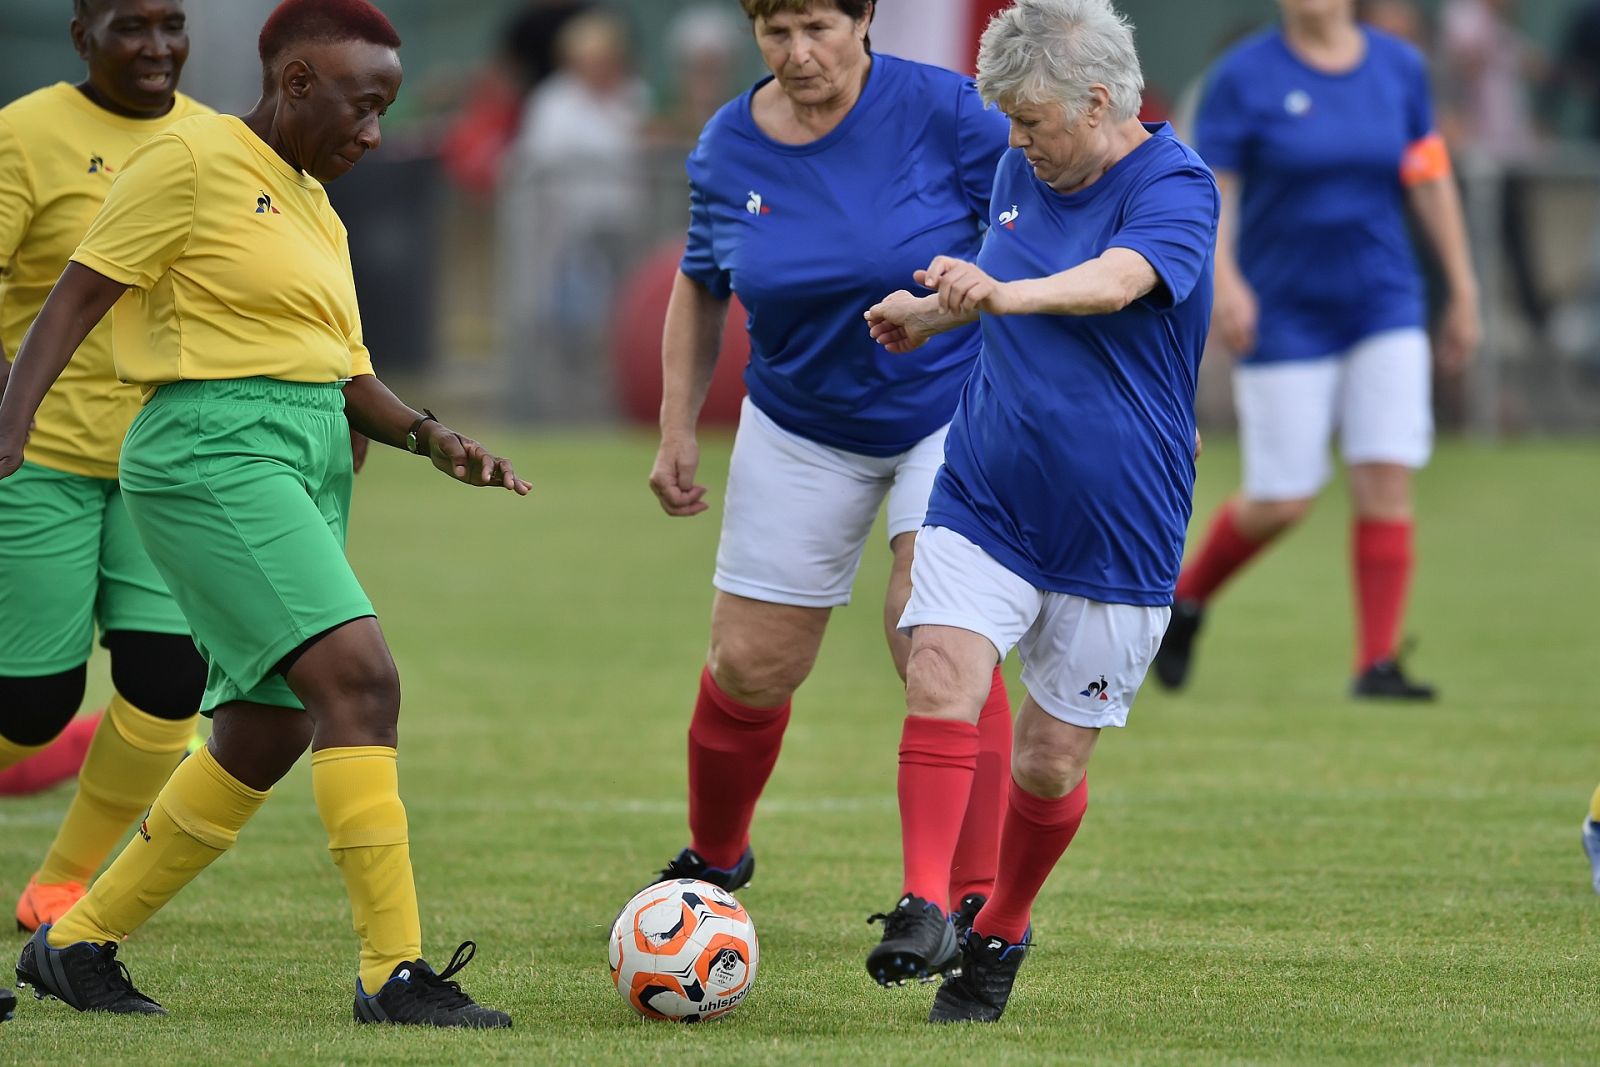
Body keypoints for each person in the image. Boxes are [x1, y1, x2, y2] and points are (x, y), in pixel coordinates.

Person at [1, 0, 525, 1027]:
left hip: (302, 457)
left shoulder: (315, 204)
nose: (375, 133)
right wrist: (8, 428)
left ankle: (74, 941)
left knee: (267, 726)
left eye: (386, 109)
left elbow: (345, 372)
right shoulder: (191, 159)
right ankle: (394, 971)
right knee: (361, 680)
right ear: (293, 83)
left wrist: (430, 434)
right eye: (362, 105)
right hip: (212, 450)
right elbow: (74, 296)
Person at [859, 0, 1216, 1022]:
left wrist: (993, 296)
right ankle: (924, 898)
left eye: (1030, 120)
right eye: (1008, 122)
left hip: (1118, 526)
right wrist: (932, 315)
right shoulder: (1027, 168)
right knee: (937, 668)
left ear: (1097, 102)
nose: (1015, 143)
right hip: (988, 489)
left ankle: (1001, 926)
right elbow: (999, 277)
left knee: (1050, 764)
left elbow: (1112, 283)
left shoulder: (1174, 184)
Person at [644, 0, 1014, 937]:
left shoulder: (950, 111)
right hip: (798, 423)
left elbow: (1033, 226)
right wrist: (676, 426)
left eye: (819, 27)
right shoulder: (729, 143)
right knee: (752, 662)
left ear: (864, 20)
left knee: (931, 626)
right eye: (777, 32)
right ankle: (717, 855)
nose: (799, 53)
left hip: (949, 406)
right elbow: (700, 280)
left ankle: (966, 894)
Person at [1153, 0, 1480, 701]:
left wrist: (1462, 283)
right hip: (1285, 310)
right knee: (1283, 496)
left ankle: (1377, 662)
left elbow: (1428, 174)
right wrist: (1227, 279)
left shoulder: (1399, 67)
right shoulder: (1243, 76)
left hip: (1384, 301)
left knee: (1387, 470)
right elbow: (1212, 190)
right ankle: (1186, 598)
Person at [0, 0, 211, 931]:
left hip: (160, 464)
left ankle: (62, 882)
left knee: (170, 684)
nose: (157, 46)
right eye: (131, 25)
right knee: (34, 706)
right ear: (82, 32)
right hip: (35, 453)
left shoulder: (215, 141)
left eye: (171, 23)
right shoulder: (25, 134)